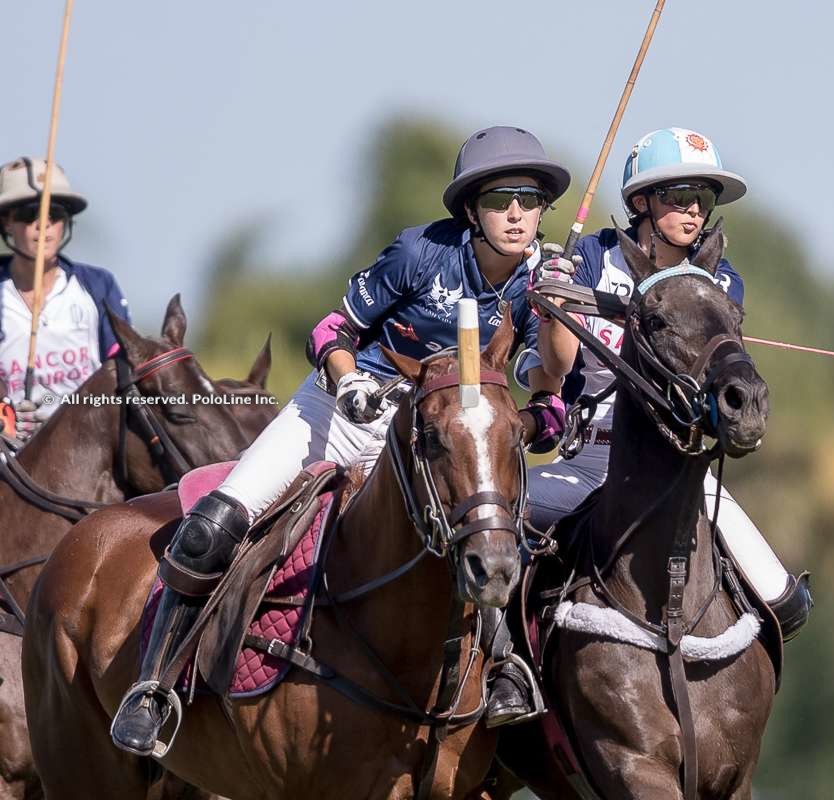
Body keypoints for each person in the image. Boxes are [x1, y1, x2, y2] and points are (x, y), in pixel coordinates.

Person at [110, 126, 573, 755]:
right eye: (499, 199)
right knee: (212, 525)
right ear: (472, 210)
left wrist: (547, 380)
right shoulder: (419, 254)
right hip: (346, 410)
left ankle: (503, 665)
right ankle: (154, 685)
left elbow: (547, 386)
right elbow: (332, 328)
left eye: (528, 199)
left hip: (439, 435)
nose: (516, 213)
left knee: (493, 530)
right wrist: (349, 379)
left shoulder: (542, 284)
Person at [491, 128, 814, 723]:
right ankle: (502, 667)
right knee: (494, 523)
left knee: (786, 603)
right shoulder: (588, 260)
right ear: (641, 202)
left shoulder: (718, 279)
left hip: (674, 470)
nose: (693, 210)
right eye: (678, 195)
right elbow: (555, 369)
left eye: (702, 198)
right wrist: (556, 300)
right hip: (587, 461)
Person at [0, 157, 130, 443]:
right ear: (6, 222)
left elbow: (122, 371)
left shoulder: (97, 286)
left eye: (54, 214)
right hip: (8, 451)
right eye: (30, 213)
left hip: (90, 443)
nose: (43, 225)